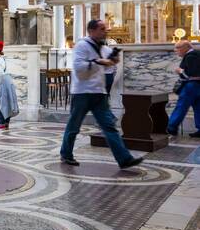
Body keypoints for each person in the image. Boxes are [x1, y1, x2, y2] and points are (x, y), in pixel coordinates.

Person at [60, 19, 143, 170]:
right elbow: (79, 67)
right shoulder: (81, 46)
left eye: (105, 29)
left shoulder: (104, 48)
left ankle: (124, 159)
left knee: (109, 127)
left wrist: (114, 59)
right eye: (102, 29)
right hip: (82, 93)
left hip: (99, 93)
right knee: (74, 126)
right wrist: (99, 62)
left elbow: (110, 61)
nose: (106, 31)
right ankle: (66, 153)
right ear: (91, 31)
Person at [166, 39, 200, 138]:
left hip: (192, 86)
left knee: (181, 106)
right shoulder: (198, 53)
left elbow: (191, 75)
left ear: (186, 47)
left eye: (178, 48)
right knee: (198, 107)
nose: (176, 51)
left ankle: (171, 127)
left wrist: (180, 71)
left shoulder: (190, 56)